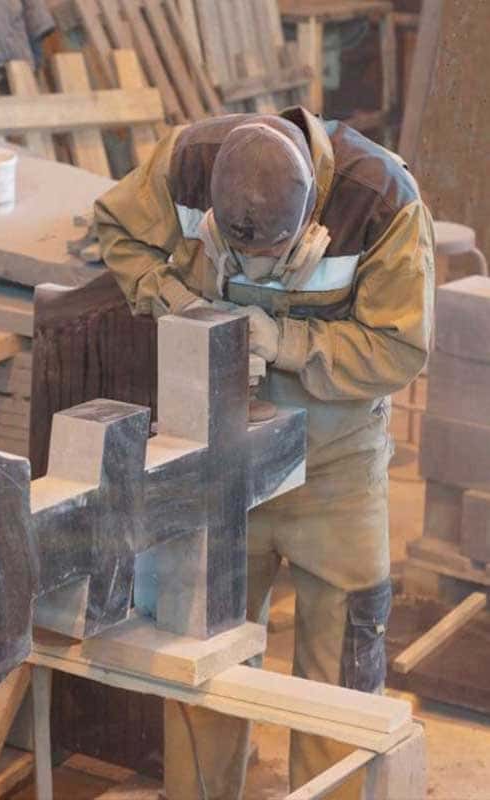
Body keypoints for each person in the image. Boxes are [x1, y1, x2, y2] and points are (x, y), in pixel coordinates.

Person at [95, 107, 434, 799]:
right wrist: (179, 303)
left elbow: (400, 348)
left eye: (274, 257)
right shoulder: (189, 161)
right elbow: (118, 229)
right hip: (219, 454)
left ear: (311, 216)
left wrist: (285, 342)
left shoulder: (379, 199)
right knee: (202, 654)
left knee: (341, 676)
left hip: (334, 463)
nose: (256, 272)